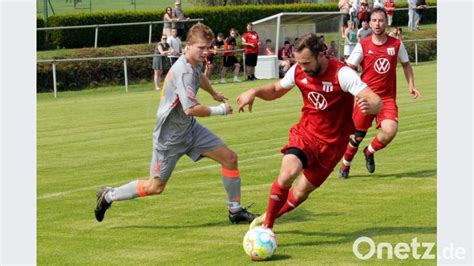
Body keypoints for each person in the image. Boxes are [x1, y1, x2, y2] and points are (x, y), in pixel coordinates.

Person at [94, 23, 258, 224]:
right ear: (188, 45)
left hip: (189, 130)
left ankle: (235, 210)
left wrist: (214, 92)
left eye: (208, 47)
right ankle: (109, 195)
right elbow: (191, 108)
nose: (205, 52)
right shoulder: (183, 71)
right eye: (201, 48)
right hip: (169, 138)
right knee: (155, 187)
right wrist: (220, 110)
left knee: (230, 158)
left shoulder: (194, 63)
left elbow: (200, 77)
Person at [236, 33, 381, 230]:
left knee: (302, 191)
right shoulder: (298, 70)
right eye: (299, 63)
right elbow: (277, 89)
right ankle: (267, 227)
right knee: (287, 174)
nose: (302, 68)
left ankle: (271, 216)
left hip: (333, 145)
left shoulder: (342, 73)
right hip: (306, 134)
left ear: (321, 54)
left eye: (306, 63)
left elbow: (373, 99)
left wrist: (372, 105)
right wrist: (254, 92)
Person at [338, 7, 421, 179]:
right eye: (374, 20)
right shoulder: (363, 45)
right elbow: (350, 68)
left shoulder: (396, 44)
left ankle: (369, 151)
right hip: (366, 97)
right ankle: (345, 165)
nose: (377, 23)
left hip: (387, 99)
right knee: (357, 136)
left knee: (390, 130)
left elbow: (406, 64)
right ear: (369, 22)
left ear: (386, 22)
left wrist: (411, 85)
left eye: (381, 20)